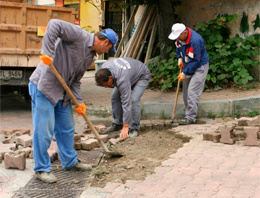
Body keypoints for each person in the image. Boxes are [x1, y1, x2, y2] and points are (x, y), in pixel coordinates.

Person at [29, 19, 118, 183]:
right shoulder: (79, 35)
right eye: (109, 48)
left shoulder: (89, 57)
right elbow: (54, 24)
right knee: (44, 131)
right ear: (105, 42)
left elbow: (75, 81)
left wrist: (79, 101)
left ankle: (70, 162)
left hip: (62, 93)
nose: (106, 51)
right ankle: (41, 169)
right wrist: (47, 52)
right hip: (44, 86)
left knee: (67, 128)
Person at [95, 57, 151, 140]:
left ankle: (133, 128)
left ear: (110, 78)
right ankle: (117, 123)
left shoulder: (122, 79)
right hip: (129, 74)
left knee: (133, 100)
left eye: (106, 84)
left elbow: (126, 103)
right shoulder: (105, 67)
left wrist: (125, 126)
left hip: (142, 75)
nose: (106, 87)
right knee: (115, 98)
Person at [168, 23, 209, 125]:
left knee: (192, 91)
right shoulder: (180, 39)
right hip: (188, 65)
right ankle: (190, 113)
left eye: (178, 37)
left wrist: (185, 73)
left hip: (199, 67)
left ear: (185, 33)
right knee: (186, 91)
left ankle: (190, 117)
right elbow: (178, 47)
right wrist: (179, 58)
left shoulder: (195, 41)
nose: (177, 39)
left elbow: (196, 61)